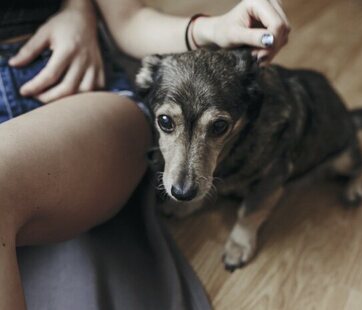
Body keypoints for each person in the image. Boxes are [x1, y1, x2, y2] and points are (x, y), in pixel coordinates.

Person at [0, 0, 290, 308]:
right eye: (166, 123)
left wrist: (214, 28)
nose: (184, 182)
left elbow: (130, 21)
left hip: (81, 84)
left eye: (218, 128)